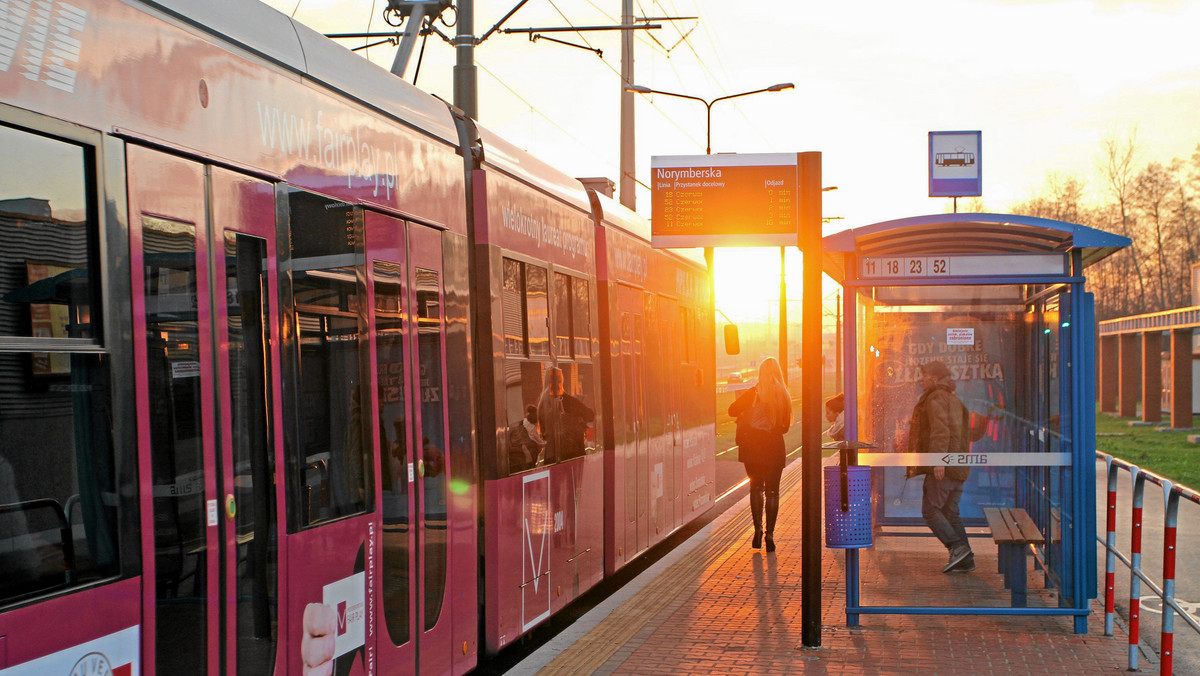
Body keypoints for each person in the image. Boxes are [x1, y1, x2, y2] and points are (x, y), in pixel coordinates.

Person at [906, 360, 974, 573]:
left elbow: (940, 430)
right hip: (958, 467)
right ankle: (966, 559)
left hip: (945, 467)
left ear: (933, 378)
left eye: (923, 376)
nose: (921, 380)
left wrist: (938, 460)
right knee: (950, 512)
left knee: (930, 510)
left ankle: (957, 547)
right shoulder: (953, 398)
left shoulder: (936, 398)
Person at [728, 356, 793, 553]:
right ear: (779, 372)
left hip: (752, 448)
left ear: (761, 373)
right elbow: (784, 428)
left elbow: (732, 410)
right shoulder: (784, 394)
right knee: (773, 491)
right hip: (774, 448)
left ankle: (757, 530)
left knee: (756, 487)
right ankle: (770, 535)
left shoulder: (754, 392)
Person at [537, 366, 595, 463]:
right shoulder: (567, 401)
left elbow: (543, 432)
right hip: (571, 453)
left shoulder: (542, 403)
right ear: (561, 380)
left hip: (550, 455)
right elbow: (590, 415)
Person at [508, 404, 545, 471]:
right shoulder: (531, 429)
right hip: (523, 462)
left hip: (513, 462)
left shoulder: (521, 423)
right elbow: (539, 443)